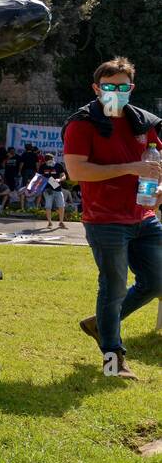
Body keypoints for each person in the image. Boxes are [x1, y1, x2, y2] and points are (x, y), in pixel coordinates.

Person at [62, 56, 162, 380]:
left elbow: (156, 162)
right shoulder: (82, 123)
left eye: (121, 86)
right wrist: (129, 168)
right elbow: (76, 171)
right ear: (96, 88)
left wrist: (159, 187)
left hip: (144, 216)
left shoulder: (142, 123)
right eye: (108, 87)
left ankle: (98, 323)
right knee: (113, 288)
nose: (115, 92)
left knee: (156, 281)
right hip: (104, 220)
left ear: (131, 88)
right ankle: (113, 362)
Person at [41, 159, 68, 230]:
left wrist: (59, 179)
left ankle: (61, 222)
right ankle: (49, 222)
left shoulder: (58, 165)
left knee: (61, 206)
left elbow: (64, 176)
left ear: (53, 159)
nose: (50, 162)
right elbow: (39, 177)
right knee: (48, 206)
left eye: (51, 160)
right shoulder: (43, 166)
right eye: (48, 161)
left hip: (57, 189)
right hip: (47, 189)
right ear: (45, 161)